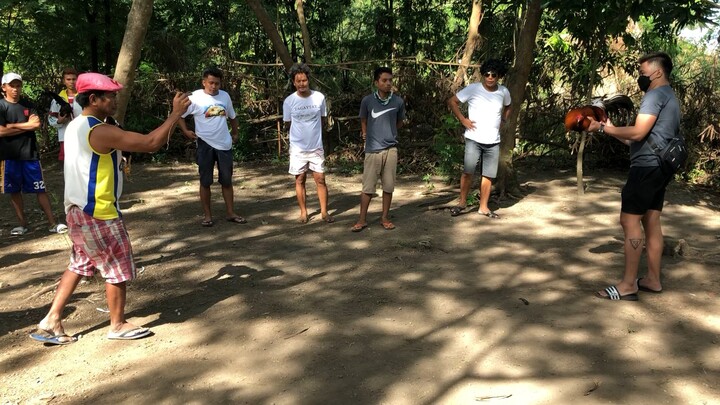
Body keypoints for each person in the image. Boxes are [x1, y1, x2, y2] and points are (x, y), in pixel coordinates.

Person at [31, 72, 191, 344]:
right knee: (117, 264)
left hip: (76, 209)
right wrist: (175, 115)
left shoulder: (76, 125)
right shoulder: (99, 130)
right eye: (111, 96)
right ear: (93, 99)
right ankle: (117, 324)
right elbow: (150, 143)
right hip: (99, 211)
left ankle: (51, 319)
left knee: (80, 264)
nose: (116, 100)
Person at [588, 52, 680, 301]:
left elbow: (638, 133)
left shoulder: (654, 96)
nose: (640, 77)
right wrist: (609, 128)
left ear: (657, 72)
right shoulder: (670, 97)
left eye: (642, 72)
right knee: (651, 221)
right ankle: (652, 279)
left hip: (646, 168)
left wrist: (601, 128)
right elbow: (639, 140)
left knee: (629, 221)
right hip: (660, 167)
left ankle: (628, 285)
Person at [0, 72, 67, 236]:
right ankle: (22, 224)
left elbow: (35, 124)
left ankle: (52, 223)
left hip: (30, 154)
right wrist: (25, 126)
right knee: (14, 191)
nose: (15, 89)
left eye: (18, 85)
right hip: (9, 156)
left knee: (40, 188)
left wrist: (11, 126)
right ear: (4, 87)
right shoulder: (1, 106)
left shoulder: (27, 104)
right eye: (12, 85)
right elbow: (1, 131)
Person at [178, 67, 246, 227]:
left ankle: (230, 212)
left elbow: (232, 116)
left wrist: (235, 133)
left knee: (227, 181)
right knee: (205, 181)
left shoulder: (225, 96)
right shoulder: (195, 97)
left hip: (224, 144)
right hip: (204, 144)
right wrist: (186, 131)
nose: (214, 86)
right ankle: (207, 216)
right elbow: (179, 115)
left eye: (217, 83)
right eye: (211, 83)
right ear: (204, 82)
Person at [447, 59, 511, 218]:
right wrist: (463, 120)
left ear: (499, 76)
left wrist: (503, 120)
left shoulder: (503, 92)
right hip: (473, 139)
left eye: (494, 75)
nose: (490, 77)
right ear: (483, 74)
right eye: (487, 74)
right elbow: (452, 101)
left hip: (493, 141)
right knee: (468, 172)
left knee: (488, 175)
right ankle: (462, 203)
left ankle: (483, 207)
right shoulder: (473, 89)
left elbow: (509, 106)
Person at [351, 67, 406, 232]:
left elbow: (400, 122)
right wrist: (365, 135)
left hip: (391, 149)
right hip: (373, 149)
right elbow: (363, 119)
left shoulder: (398, 102)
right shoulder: (367, 101)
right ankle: (362, 219)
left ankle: (385, 218)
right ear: (376, 82)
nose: (388, 83)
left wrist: (389, 133)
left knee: (388, 186)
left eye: (390, 80)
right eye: (384, 80)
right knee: (368, 187)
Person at [282, 63, 333, 224]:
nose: (301, 84)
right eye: (298, 81)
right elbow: (288, 123)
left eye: (304, 80)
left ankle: (324, 212)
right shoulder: (289, 101)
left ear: (308, 80)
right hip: (297, 148)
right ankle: (303, 212)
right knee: (300, 179)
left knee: (320, 179)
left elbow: (323, 119)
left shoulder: (319, 98)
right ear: (293, 82)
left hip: (316, 147)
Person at [48, 67, 83, 161]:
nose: (71, 82)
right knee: (67, 163)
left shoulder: (84, 98)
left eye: (74, 79)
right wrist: (59, 121)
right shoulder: (57, 100)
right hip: (65, 136)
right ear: (64, 81)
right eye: (68, 79)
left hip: (83, 136)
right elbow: (51, 118)